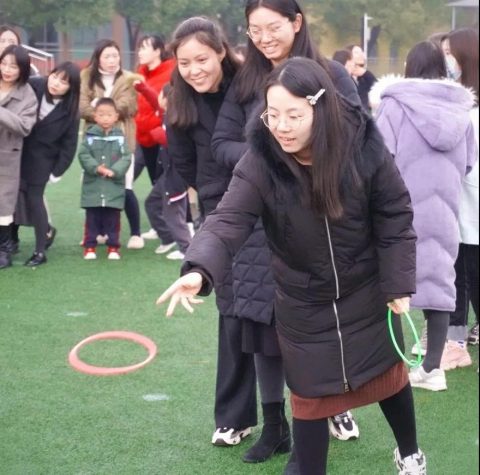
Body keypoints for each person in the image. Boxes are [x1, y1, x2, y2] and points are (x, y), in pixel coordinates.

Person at [157, 57, 426, 475]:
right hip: (302, 300)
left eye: (294, 115)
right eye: (272, 114)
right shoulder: (261, 159)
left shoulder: (362, 144)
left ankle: (410, 454)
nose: (281, 126)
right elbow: (228, 219)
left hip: (366, 290)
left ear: (321, 109)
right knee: (310, 399)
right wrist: (199, 268)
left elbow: (394, 214)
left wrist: (397, 283)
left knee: (388, 377)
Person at [211, 1, 361, 469]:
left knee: (315, 329)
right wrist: (267, 156)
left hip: (318, 220)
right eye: (253, 30)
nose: (263, 38)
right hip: (259, 223)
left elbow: (356, 136)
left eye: (272, 27)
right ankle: (274, 426)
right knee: (262, 327)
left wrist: (296, 152)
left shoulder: (331, 75)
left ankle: (325, 413)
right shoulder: (246, 81)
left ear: (296, 22)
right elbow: (221, 143)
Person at [165, 17, 255, 449]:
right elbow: (183, 164)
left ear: (221, 50)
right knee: (233, 309)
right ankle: (234, 418)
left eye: (201, 59)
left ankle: (331, 404)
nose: (194, 70)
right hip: (221, 208)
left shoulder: (251, 84)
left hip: (273, 199)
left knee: (296, 308)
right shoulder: (179, 101)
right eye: (184, 63)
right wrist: (216, 194)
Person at [374, 41, 477, 391]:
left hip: (400, 207)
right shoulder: (461, 111)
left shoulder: (394, 105)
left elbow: (379, 156)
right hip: (445, 209)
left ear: (408, 66)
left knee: (390, 282)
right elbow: (468, 161)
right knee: (440, 283)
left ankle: (391, 367)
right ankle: (433, 368)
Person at [79, 39, 143, 250]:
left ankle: (135, 233)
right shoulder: (86, 77)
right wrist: (104, 112)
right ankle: (97, 233)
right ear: (98, 58)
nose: (112, 60)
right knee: (95, 186)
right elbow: (82, 107)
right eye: (107, 56)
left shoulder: (128, 78)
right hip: (94, 142)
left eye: (115, 55)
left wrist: (100, 108)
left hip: (122, 140)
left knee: (125, 186)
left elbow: (129, 106)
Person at [441, 28, 479, 368]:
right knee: (459, 272)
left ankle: (456, 340)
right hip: (460, 202)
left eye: (449, 54)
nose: (447, 61)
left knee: (471, 271)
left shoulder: (468, 109)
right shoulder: (458, 102)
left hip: (471, 201)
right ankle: (455, 340)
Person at [17, 62, 80, 267]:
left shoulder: (71, 112)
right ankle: (11, 241)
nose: (56, 83)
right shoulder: (34, 85)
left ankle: (40, 251)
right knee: (14, 197)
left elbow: (69, 146)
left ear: (71, 87)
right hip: (18, 152)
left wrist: (57, 172)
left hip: (43, 161)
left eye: (64, 82)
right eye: (55, 76)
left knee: (35, 201)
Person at [134, 81, 191, 260]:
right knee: (152, 203)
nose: (158, 97)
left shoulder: (179, 120)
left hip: (177, 177)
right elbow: (154, 101)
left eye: (161, 94)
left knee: (173, 214)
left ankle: (186, 249)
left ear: (167, 99)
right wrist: (143, 88)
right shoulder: (165, 113)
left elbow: (182, 145)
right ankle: (167, 237)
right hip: (167, 175)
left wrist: (162, 137)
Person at [134, 35, 177, 247]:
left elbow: (160, 106)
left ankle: (176, 228)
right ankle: (158, 225)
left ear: (158, 51)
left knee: (164, 184)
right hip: (143, 137)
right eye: (139, 48)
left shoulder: (170, 72)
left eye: (145, 48)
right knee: (154, 181)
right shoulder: (140, 73)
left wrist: (156, 129)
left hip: (162, 137)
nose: (140, 52)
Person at [78, 98, 131, 260]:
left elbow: (126, 157)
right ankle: (90, 247)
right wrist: (97, 168)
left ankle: (113, 247)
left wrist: (115, 171)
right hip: (93, 187)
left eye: (109, 115)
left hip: (113, 186)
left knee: (113, 219)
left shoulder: (120, 138)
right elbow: (83, 155)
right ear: (95, 116)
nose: (105, 118)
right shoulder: (89, 136)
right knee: (91, 219)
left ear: (116, 116)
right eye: (101, 115)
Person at [0, 45, 37, 269]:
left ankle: (4, 250)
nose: (7, 70)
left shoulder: (26, 94)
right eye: (4, 64)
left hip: (7, 157)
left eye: (13, 66)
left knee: (3, 205)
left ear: (22, 69)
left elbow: (24, 126)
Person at [346, 44, 377, 112]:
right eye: (356, 52)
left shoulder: (365, 77)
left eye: (361, 52)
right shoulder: (345, 77)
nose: (361, 54)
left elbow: (378, 89)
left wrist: (366, 74)